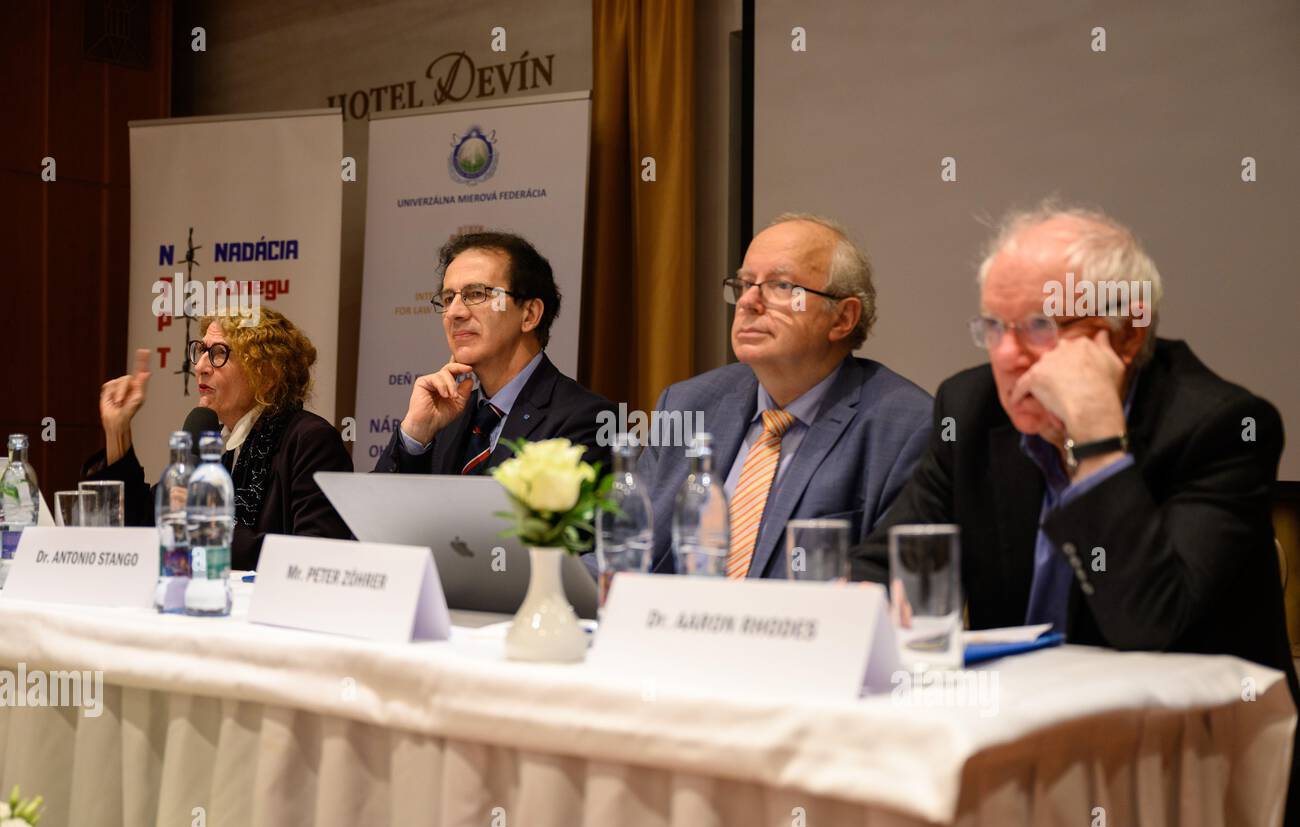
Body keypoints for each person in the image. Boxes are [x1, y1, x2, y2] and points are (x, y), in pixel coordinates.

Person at [848, 201, 1297, 827]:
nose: (1007, 355)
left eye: (1038, 326)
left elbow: (1150, 624)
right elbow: (884, 570)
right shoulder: (970, 410)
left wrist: (1095, 439)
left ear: (1125, 334)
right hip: (1018, 760)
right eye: (993, 326)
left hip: (1184, 787)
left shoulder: (1219, 427)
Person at [637, 213, 932, 578]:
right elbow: (625, 554)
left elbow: (898, 589)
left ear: (842, 318)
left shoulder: (906, 427)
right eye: (744, 284)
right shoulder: (686, 405)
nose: (748, 302)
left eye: (779, 286)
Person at [89, 307, 353, 569]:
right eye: (202, 351)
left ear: (268, 375)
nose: (201, 367)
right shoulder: (212, 439)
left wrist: (209, 525)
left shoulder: (311, 441)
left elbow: (316, 558)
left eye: (219, 354)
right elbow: (143, 523)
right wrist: (117, 430)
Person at [375, 231, 614, 476]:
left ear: (529, 314)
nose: (455, 313)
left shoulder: (586, 419)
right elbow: (375, 509)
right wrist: (415, 434)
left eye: (477, 294)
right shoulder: (445, 417)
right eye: (448, 298)